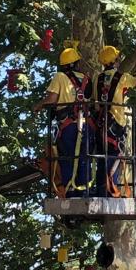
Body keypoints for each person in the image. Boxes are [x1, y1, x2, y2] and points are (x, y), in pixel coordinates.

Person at [34, 46, 93, 196]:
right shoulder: (87, 79)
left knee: (66, 157)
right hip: (85, 125)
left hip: (68, 126)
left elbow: (51, 99)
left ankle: (70, 191)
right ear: (76, 63)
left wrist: (38, 106)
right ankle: (85, 190)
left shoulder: (60, 77)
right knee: (83, 158)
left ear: (64, 65)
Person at [94, 46, 136, 197]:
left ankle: (101, 190)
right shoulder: (122, 77)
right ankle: (110, 190)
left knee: (101, 160)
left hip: (100, 123)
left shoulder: (97, 78)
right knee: (114, 157)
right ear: (115, 60)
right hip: (116, 123)